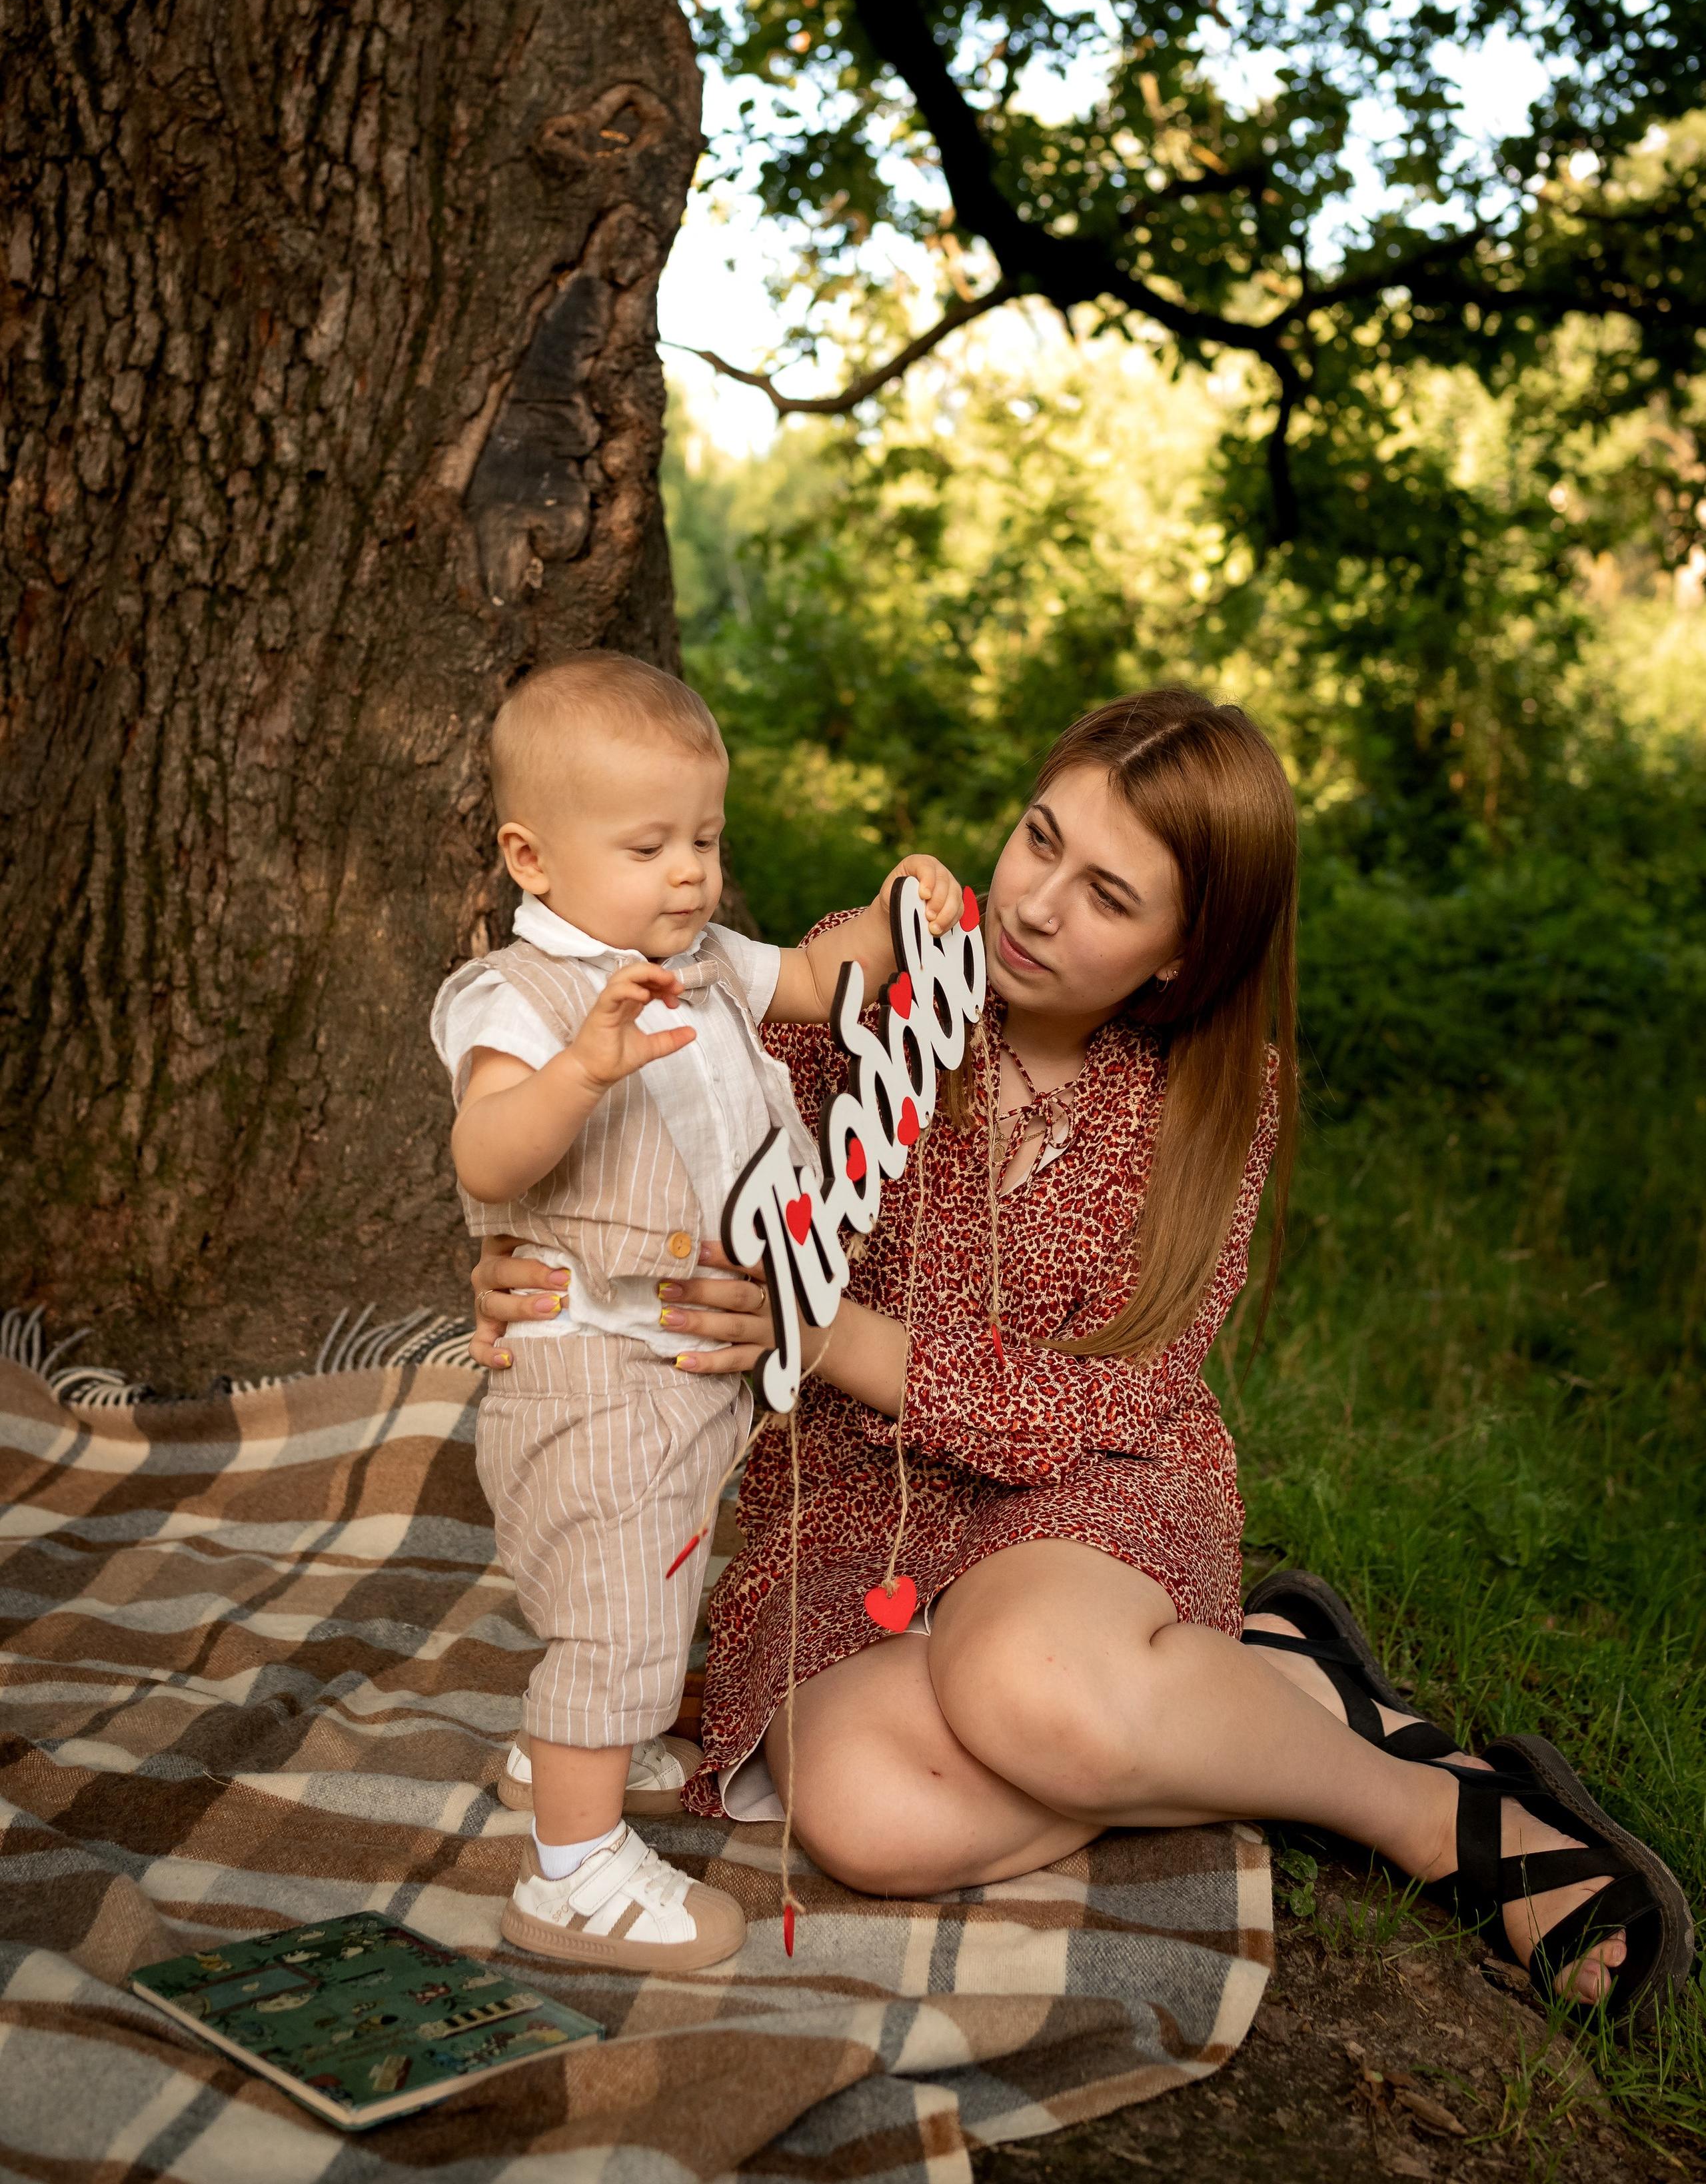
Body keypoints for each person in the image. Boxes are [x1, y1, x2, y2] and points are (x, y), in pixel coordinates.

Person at [470, 688, 1692, 2018]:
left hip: (1083, 1481)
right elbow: (653, 1116)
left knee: (1028, 1684)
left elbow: (1116, 1389)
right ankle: (1259, 1688)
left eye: (1109, 894)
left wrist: (827, 1332)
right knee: (869, 1823)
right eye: (1038, 838)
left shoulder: (1212, 1094)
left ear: (1180, 950)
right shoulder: (870, 988)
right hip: (855, 1505)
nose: (1040, 903)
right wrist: (539, 1257)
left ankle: (1421, 1806)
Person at [434, 649, 963, 1971]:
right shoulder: (525, 997)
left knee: (644, 1574)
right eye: (649, 844)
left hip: (680, 1364)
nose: (688, 872)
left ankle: (569, 1736)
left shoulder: (710, 958)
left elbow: (821, 973)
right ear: (532, 857)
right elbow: (487, 1157)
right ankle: (571, 1872)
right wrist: (582, 1069)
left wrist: (899, 917)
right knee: (616, 1600)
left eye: (706, 839)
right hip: (587, 1353)